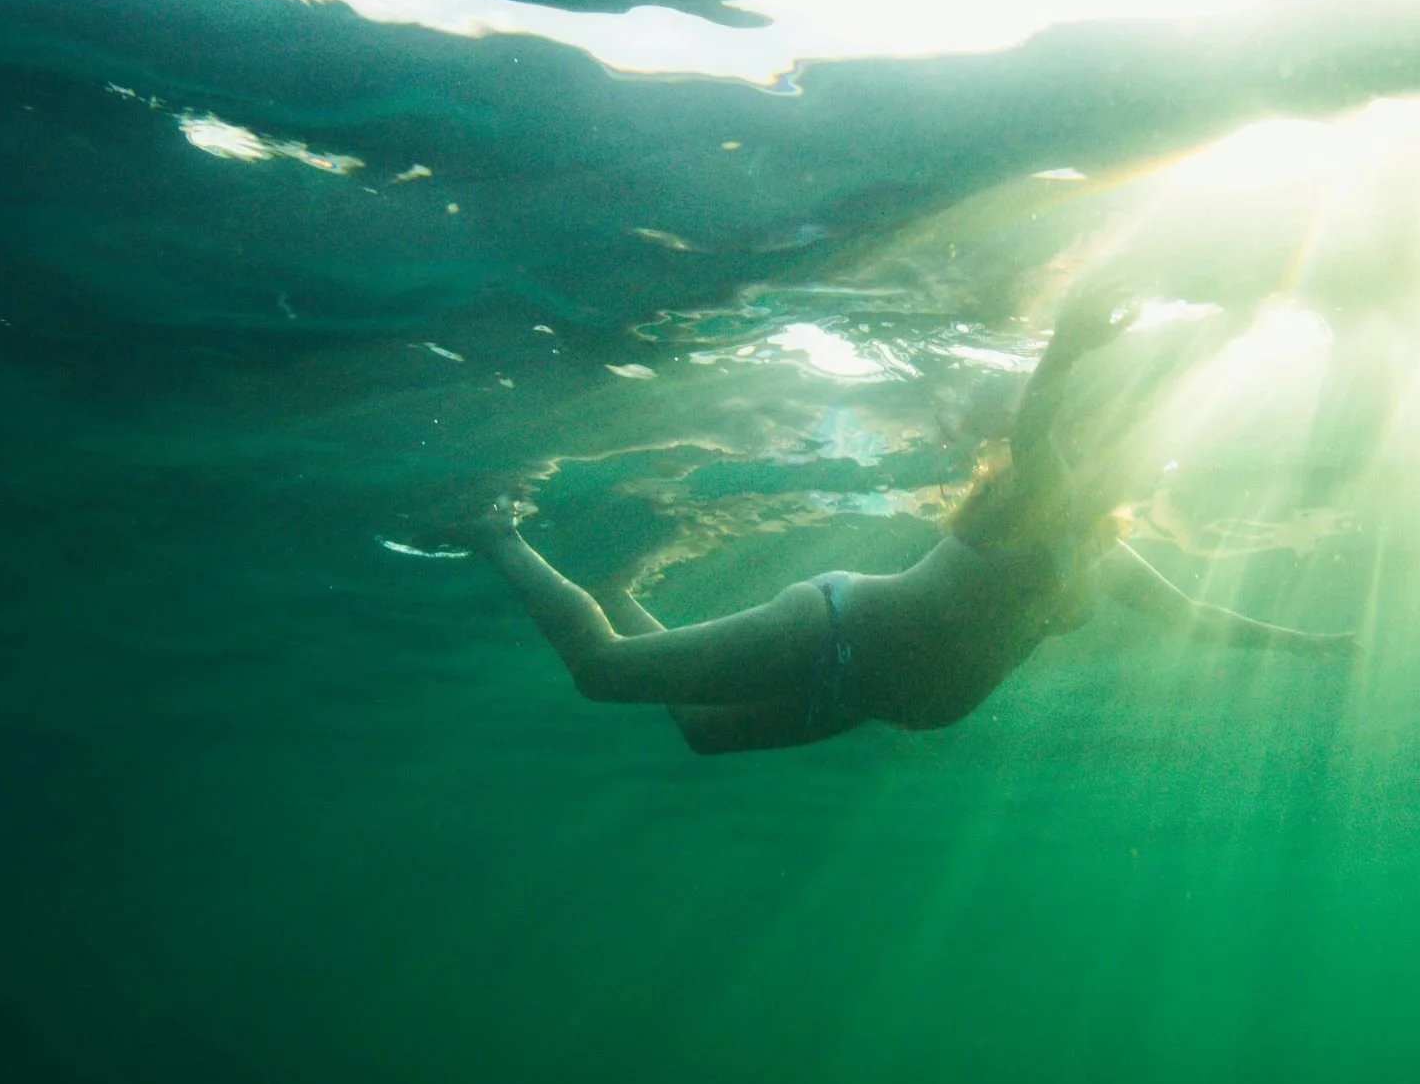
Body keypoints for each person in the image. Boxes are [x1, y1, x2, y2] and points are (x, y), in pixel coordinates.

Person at [434, 300, 1357, 754]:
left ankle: (618, 587)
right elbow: (1038, 430)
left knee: (700, 732)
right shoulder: (1036, 497)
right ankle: (493, 525)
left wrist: (1308, 646)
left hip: (860, 695)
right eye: (1143, 446)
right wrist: (1070, 342)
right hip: (833, 628)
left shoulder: (1101, 550)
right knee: (602, 676)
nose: (1156, 464)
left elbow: (1200, 617)